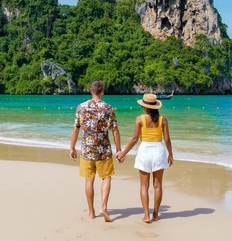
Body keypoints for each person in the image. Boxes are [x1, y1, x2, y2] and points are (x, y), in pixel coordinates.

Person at [69, 79, 122, 222]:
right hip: (103, 150)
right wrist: (119, 150)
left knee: (89, 180)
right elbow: (115, 131)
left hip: (87, 150)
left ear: (91, 91)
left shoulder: (81, 107)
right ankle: (103, 207)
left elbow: (75, 129)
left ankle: (91, 212)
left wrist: (72, 147)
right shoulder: (109, 108)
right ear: (103, 91)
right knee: (106, 178)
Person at [117, 93, 174, 223]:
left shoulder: (139, 119)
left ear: (145, 107)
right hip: (159, 151)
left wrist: (123, 153)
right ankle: (155, 214)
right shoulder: (163, 119)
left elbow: (134, 139)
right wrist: (170, 154)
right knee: (158, 185)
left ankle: (146, 215)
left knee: (144, 186)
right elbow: (167, 139)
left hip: (145, 151)